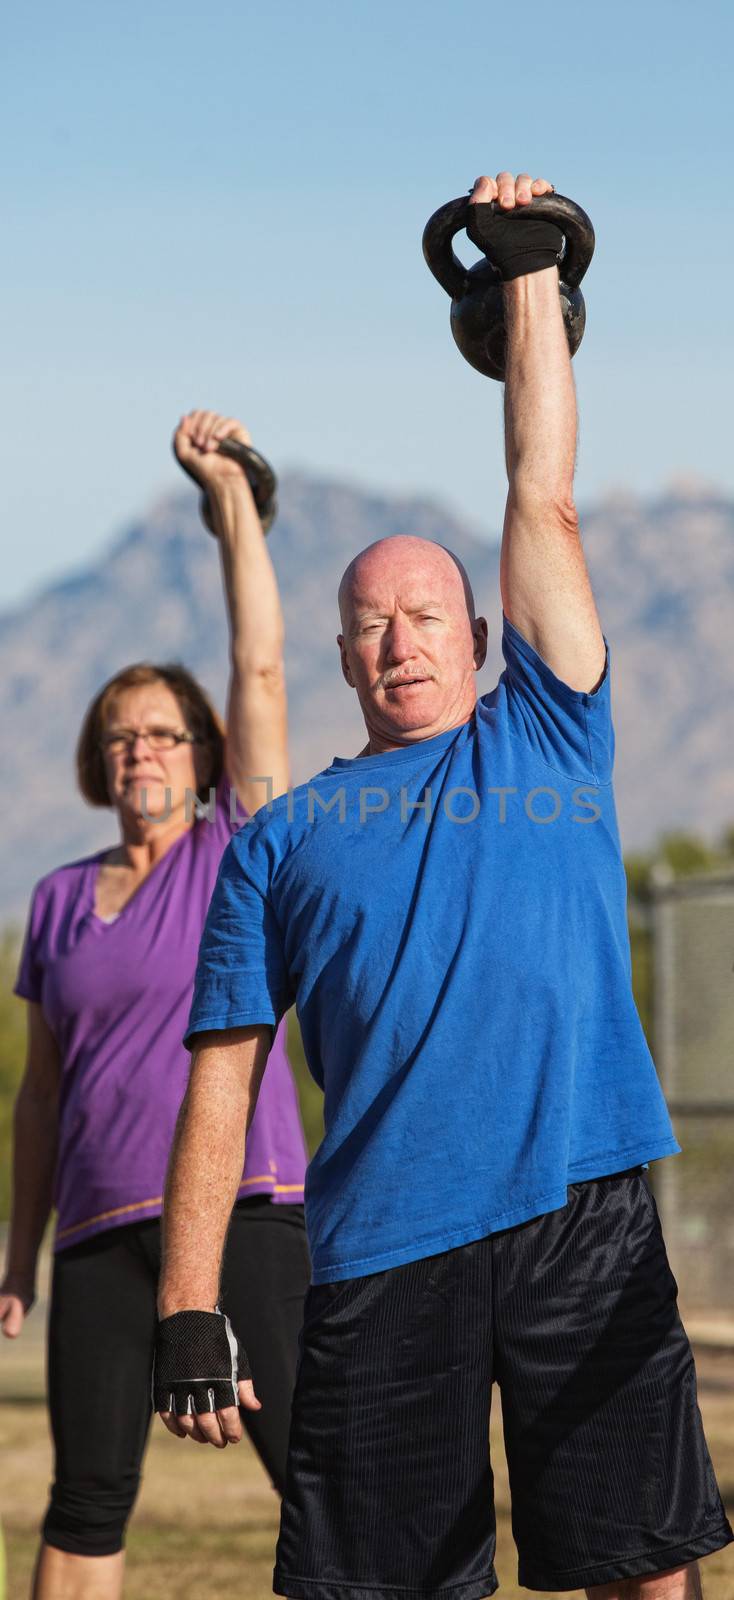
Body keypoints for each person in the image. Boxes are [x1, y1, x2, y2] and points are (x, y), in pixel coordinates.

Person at [154, 178, 733, 1600]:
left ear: (476, 636)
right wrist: (186, 1308)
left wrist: (526, 269)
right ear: (344, 660)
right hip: (385, 1249)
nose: (400, 642)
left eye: (424, 618)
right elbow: (224, 1084)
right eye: (369, 627)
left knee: (643, 1565)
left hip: (577, 1214)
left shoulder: (545, 730)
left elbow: (538, 487)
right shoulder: (280, 839)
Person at [0, 410, 310, 1600]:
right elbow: (39, 1097)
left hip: (245, 1210)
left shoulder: (236, 844)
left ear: (204, 755)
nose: (141, 751)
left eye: (165, 734)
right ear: (97, 756)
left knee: (313, 1472)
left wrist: (231, 500)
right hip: (93, 1238)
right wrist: (18, 1253)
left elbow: (263, 666)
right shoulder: (57, 899)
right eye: (121, 734)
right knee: (83, 1499)